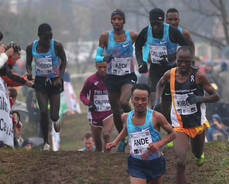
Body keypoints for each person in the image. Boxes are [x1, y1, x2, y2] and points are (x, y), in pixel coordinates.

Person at [155, 46, 219, 184]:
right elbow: (160, 84)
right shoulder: (169, 74)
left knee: (196, 152)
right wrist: (157, 101)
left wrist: (198, 99)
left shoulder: (199, 76)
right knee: (180, 162)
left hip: (197, 123)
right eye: (180, 61)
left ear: (192, 61)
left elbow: (215, 96)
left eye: (187, 62)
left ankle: (199, 154)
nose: (183, 65)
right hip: (179, 125)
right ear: (176, 61)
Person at [106, 84, 176, 184]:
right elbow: (127, 130)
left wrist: (158, 144)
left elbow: (173, 134)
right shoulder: (126, 117)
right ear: (131, 99)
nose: (140, 103)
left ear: (148, 100)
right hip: (136, 163)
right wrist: (115, 142)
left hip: (155, 161)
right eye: (136, 99)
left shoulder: (156, 117)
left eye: (143, 99)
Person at [96, 9, 138, 151]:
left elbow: (141, 46)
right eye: (114, 19)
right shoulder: (105, 37)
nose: (117, 22)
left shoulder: (132, 36)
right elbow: (97, 57)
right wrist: (104, 58)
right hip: (112, 77)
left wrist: (143, 60)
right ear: (111, 21)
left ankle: (136, 118)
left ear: (123, 21)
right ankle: (123, 138)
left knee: (123, 102)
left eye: (119, 19)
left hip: (127, 76)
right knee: (115, 110)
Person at [135, 8, 190, 109]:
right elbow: (138, 47)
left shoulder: (172, 31)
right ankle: (154, 115)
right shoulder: (146, 31)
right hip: (155, 69)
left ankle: (167, 119)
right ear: (150, 22)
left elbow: (186, 47)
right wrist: (141, 62)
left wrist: (171, 57)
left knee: (166, 99)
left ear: (163, 21)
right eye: (153, 24)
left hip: (171, 69)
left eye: (158, 24)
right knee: (153, 95)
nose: (155, 27)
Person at [26, 23, 67, 150]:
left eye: (49, 38)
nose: (47, 41)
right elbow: (28, 63)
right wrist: (29, 73)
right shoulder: (31, 47)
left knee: (53, 115)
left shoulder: (57, 46)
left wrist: (59, 78)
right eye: (45, 38)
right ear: (39, 37)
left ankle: (56, 120)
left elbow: (64, 61)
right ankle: (46, 142)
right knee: (43, 111)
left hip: (55, 81)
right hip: (40, 82)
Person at [80, 61, 113, 152]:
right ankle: (98, 159)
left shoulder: (111, 78)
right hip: (95, 113)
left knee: (106, 135)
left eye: (104, 67)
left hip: (108, 112)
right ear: (96, 66)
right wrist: (89, 103)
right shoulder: (90, 80)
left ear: (108, 66)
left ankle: (107, 158)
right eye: (100, 67)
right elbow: (82, 95)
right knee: (97, 142)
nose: (102, 69)